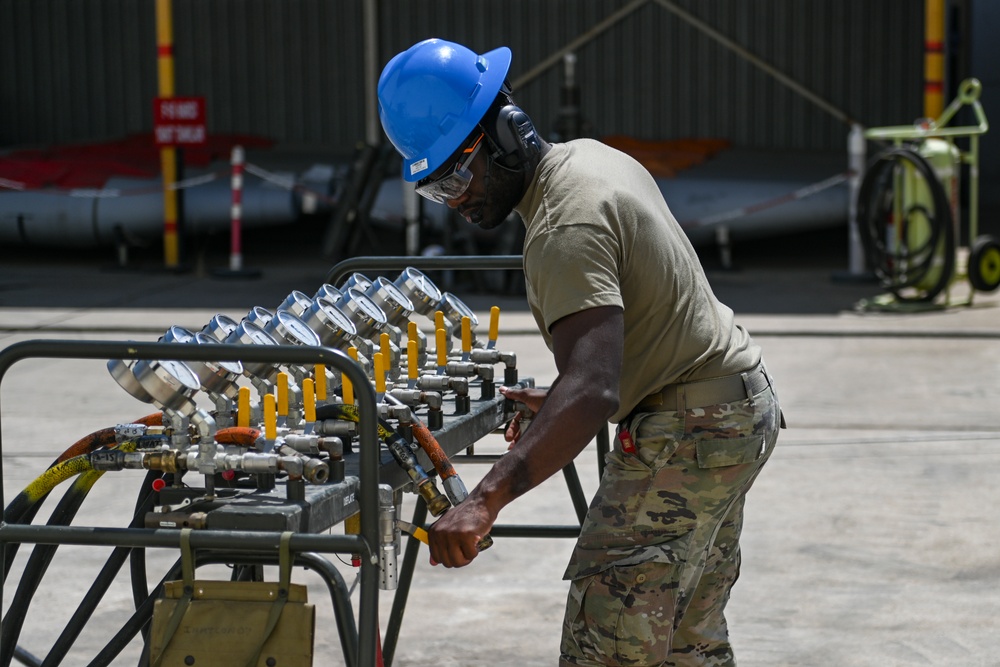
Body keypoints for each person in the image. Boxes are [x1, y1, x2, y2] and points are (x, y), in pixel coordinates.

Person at [377, 38, 784, 667]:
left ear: (508, 134)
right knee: (686, 642)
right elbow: (646, 317)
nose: (456, 201)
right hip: (731, 411)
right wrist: (559, 398)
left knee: (609, 643)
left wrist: (483, 501)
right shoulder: (590, 161)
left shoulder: (564, 226)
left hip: (689, 430)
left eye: (457, 175)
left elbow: (594, 389)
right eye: (436, 191)